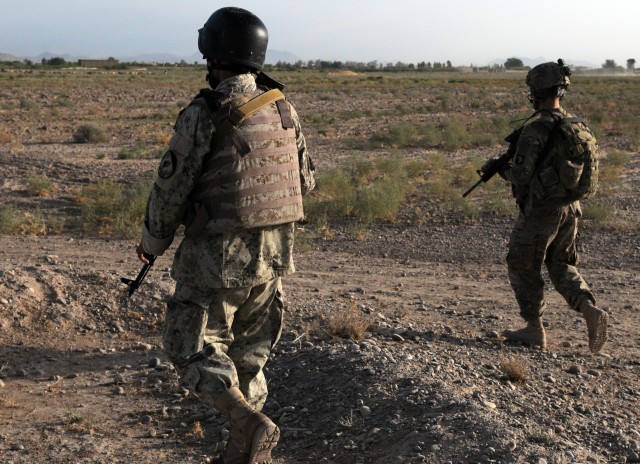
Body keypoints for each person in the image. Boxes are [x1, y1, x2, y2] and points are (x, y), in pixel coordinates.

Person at [135, 7, 315, 463]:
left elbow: (170, 189)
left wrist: (152, 244)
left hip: (217, 257)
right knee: (249, 357)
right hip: (275, 254)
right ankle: (246, 450)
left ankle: (248, 425)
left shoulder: (206, 112)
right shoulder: (281, 106)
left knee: (190, 344)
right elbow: (305, 181)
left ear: (212, 52)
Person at [490, 59, 608, 354]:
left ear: (536, 90)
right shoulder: (576, 126)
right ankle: (589, 308)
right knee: (561, 264)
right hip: (571, 208)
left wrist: (496, 168)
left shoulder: (536, 129)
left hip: (542, 211)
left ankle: (534, 330)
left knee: (522, 264)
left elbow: (519, 175)